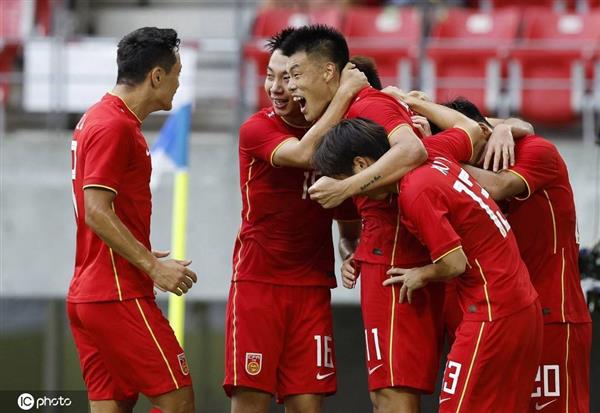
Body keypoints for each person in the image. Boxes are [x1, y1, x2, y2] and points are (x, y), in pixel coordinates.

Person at [312, 95, 543, 412]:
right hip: (516, 304)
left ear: (362, 166)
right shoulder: (435, 152)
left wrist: (420, 273)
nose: (352, 192)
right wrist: (412, 102)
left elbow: (454, 262)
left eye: (345, 182)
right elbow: (466, 127)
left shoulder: (414, 191)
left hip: (492, 310)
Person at [223, 28, 365, 413]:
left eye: (288, 77)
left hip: (312, 288)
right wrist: (346, 95)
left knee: (307, 404)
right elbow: (306, 153)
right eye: (270, 75)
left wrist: (349, 251)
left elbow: (348, 223)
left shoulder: (343, 135)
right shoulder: (257, 128)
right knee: (250, 402)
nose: (277, 87)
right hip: (258, 284)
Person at [68, 27, 197, 413]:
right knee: (179, 400)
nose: (178, 83)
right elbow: (96, 211)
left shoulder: (98, 117)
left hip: (89, 293)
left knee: (113, 407)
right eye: (176, 73)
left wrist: (139, 248)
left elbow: (104, 211)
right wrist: (152, 265)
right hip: (116, 292)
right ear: (156, 75)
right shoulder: (115, 126)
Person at [449, 98, 593, 413]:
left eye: (458, 144)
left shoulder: (536, 151)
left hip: (554, 314)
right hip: (508, 323)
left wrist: (437, 158)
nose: (454, 150)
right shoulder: (458, 184)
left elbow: (501, 186)